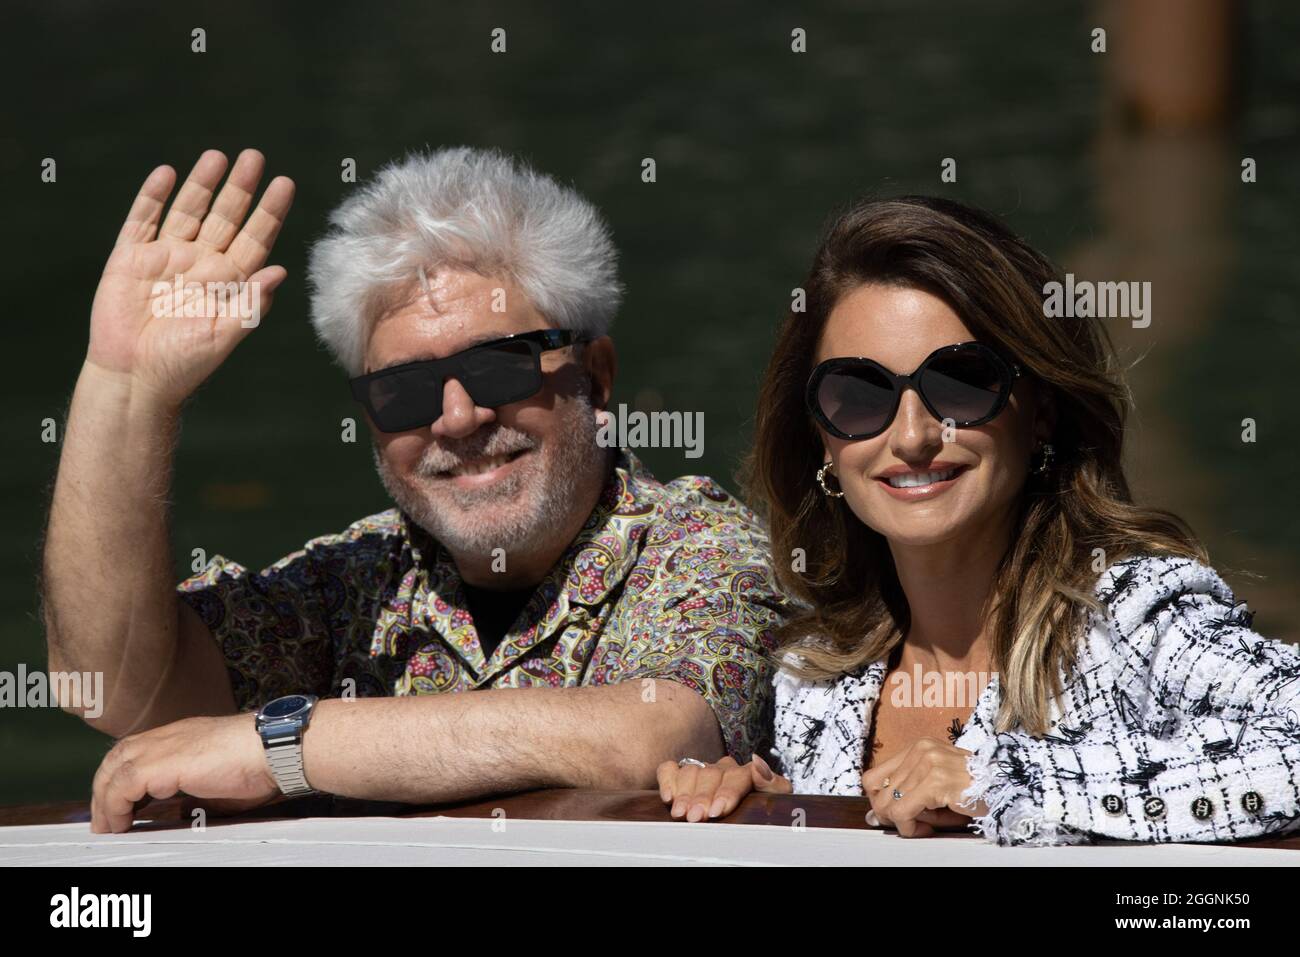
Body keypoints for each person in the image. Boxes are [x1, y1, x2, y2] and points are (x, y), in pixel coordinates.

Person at [42, 146, 791, 833]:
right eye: (405, 392)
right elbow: (108, 685)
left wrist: (276, 746)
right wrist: (124, 392)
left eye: (499, 367)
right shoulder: (353, 586)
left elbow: (650, 734)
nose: (458, 417)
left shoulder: (702, 548)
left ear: (594, 376)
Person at [657, 195, 1300, 846]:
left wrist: (1002, 783)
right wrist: (766, 815)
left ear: (1040, 409)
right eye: (858, 394)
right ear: (822, 439)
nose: (911, 436)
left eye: (959, 383)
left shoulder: (1130, 619)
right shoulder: (810, 681)